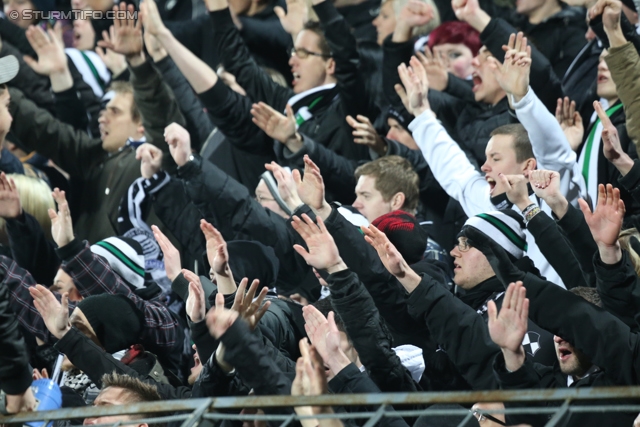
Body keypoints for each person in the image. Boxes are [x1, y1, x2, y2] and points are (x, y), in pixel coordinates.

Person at [399, 34, 586, 286]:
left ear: (528, 166)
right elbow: (457, 173)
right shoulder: (494, 205)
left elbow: (553, 152)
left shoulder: (555, 192)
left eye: (495, 158)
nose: (485, 166)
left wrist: (522, 97)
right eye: (487, 158)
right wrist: (421, 112)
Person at [9, 2, 185, 243]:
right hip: (83, 272)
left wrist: (137, 62)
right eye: (104, 110)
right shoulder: (94, 157)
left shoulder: (157, 159)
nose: (103, 116)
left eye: (114, 111)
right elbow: (43, 129)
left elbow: (163, 119)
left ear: (141, 124)